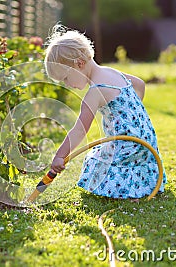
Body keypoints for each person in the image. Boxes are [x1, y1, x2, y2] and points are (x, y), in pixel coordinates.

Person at [44, 25, 167, 199]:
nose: (66, 84)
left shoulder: (95, 91)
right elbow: (140, 84)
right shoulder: (111, 72)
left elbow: (80, 130)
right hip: (147, 142)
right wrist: (131, 112)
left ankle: (124, 187)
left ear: (79, 64)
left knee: (94, 159)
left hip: (129, 147)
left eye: (65, 78)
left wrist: (60, 156)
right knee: (104, 149)